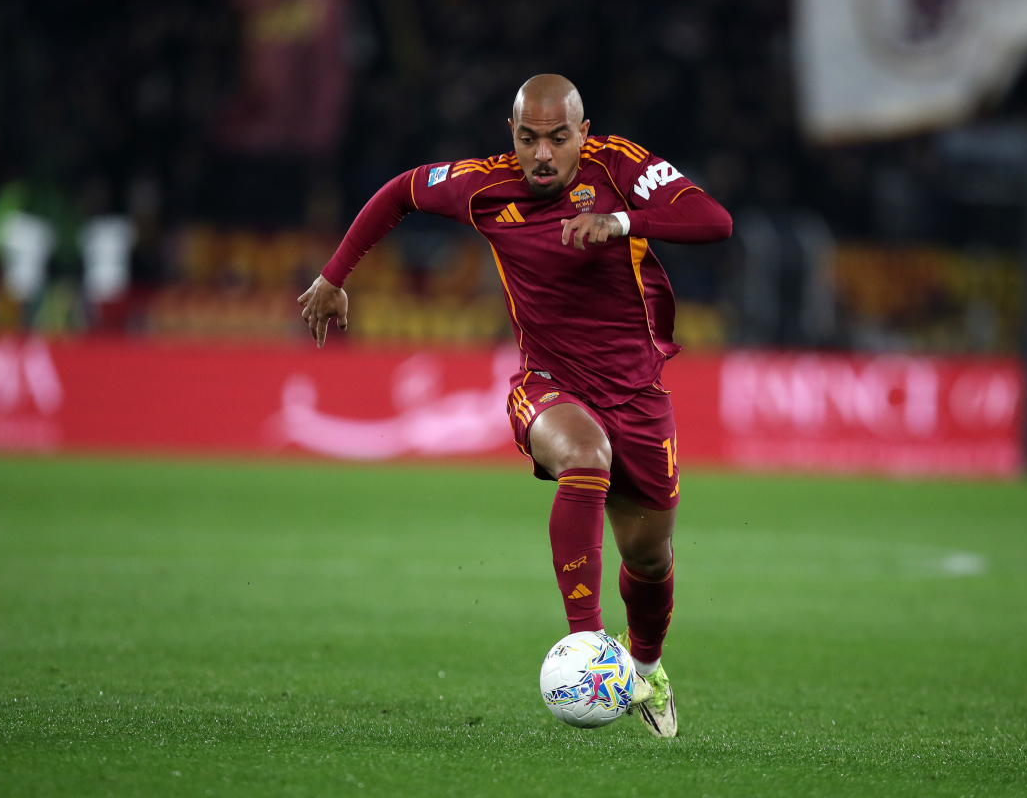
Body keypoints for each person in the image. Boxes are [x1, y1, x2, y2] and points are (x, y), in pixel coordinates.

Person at [298, 74, 732, 738]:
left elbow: (713, 220)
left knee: (649, 558)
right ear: (513, 136)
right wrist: (334, 276)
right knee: (584, 458)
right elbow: (402, 192)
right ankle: (588, 650)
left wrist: (621, 223)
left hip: (638, 393)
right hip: (548, 384)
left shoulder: (619, 166)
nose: (543, 155)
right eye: (529, 139)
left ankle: (646, 667)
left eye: (559, 138)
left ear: (582, 133)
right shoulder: (484, 186)